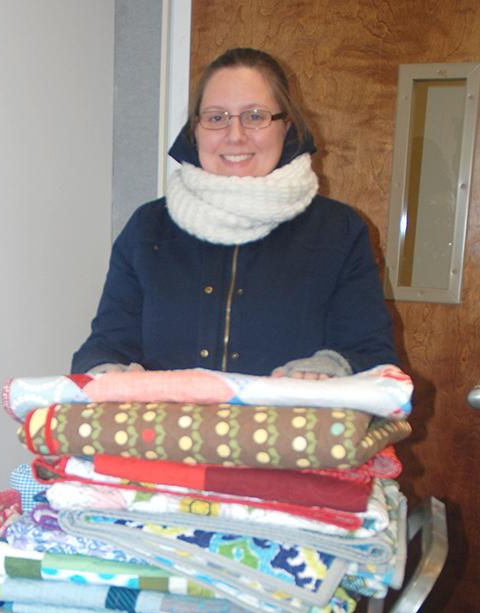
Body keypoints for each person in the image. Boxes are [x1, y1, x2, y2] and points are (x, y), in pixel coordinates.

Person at [72, 47, 398, 380]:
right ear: (195, 130)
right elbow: (105, 346)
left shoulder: (338, 231)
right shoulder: (148, 229)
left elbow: (370, 353)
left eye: (255, 116)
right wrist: (107, 374)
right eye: (216, 118)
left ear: (286, 127)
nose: (235, 134)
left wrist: (329, 369)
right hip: (165, 433)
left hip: (290, 430)